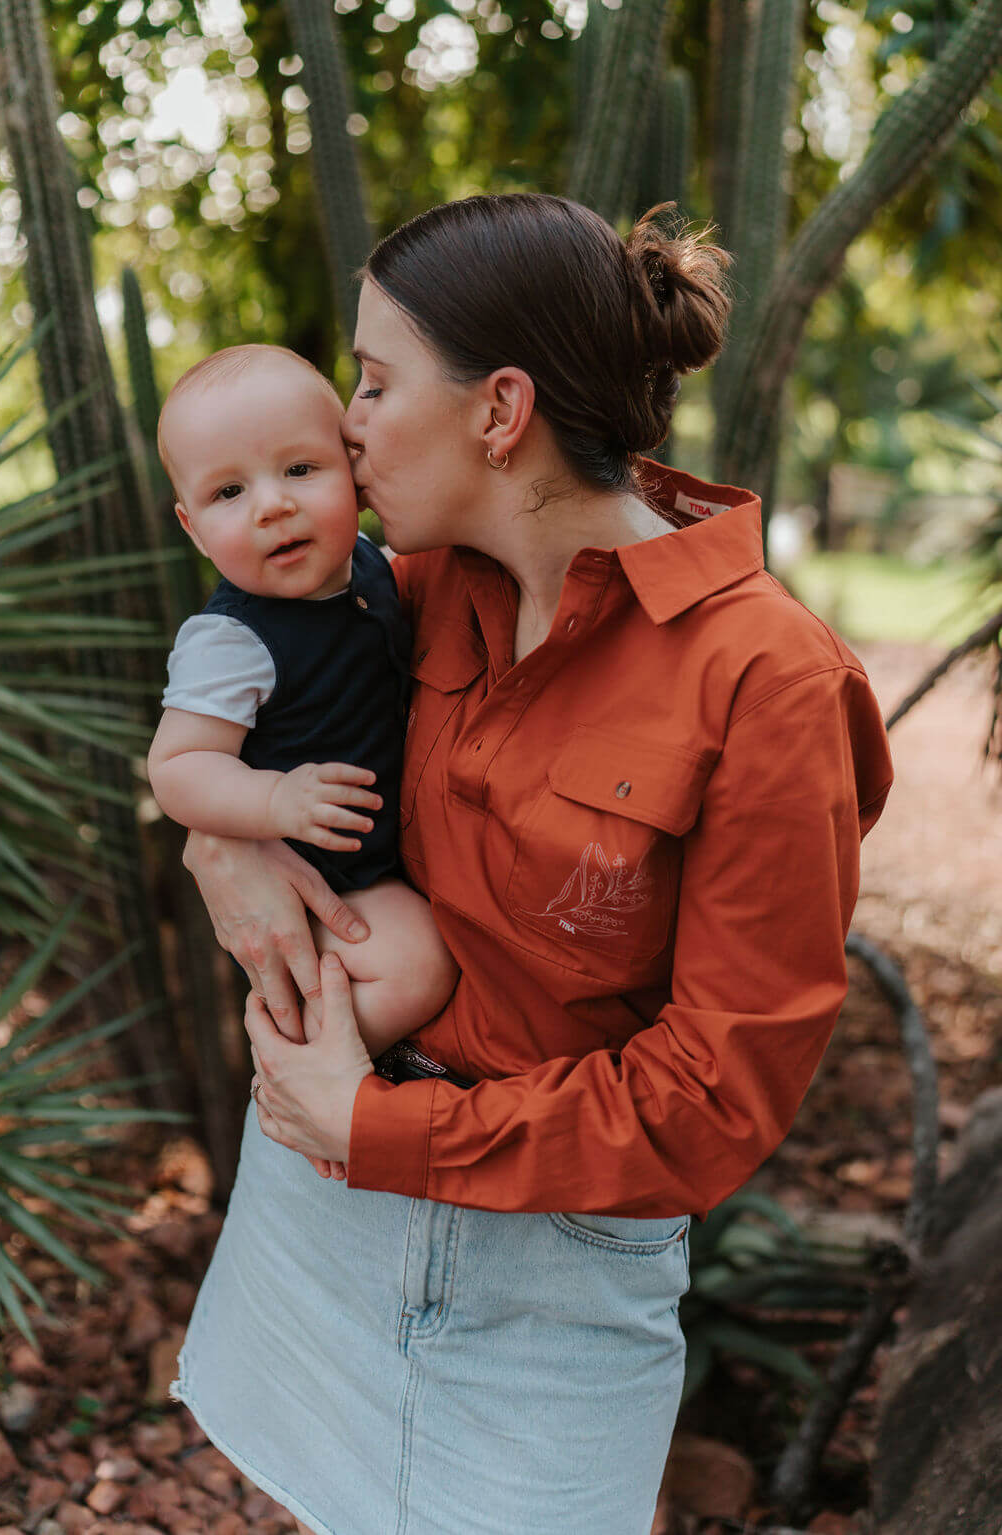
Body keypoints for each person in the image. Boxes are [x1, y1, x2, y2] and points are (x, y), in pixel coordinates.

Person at [169, 195, 894, 1535]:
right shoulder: (422, 583)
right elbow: (212, 718)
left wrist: (379, 1125)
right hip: (323, 1193)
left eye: (377, 384)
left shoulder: (768, 680)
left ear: (500, 410)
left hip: (550, 1264)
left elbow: (716, 1098)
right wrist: (224, 844)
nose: (348, 428)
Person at [146, 344, 457, 1067]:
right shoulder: (230, 639)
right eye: (229, 493)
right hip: (317, 874)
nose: (273, 504)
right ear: (191, 527)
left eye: (299, 469)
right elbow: (178, 767)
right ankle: (308, 1076)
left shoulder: (377, 566)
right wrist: (273, 799)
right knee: (418, 961)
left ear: (352, 470)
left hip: (377, 851)